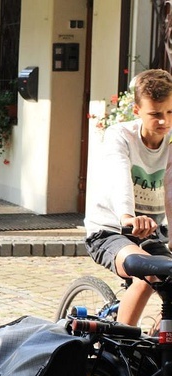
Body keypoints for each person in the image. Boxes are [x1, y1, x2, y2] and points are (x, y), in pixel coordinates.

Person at [84, 68, 172, 326]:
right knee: (146, 276)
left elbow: (171, 187)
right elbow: (119, 176)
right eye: (155, 114)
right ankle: (120, 351)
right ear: (137, 111)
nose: (164, 121)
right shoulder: (120, 136)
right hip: (110, 231)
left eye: (170, 112)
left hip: (152, 232)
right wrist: (127, 216)